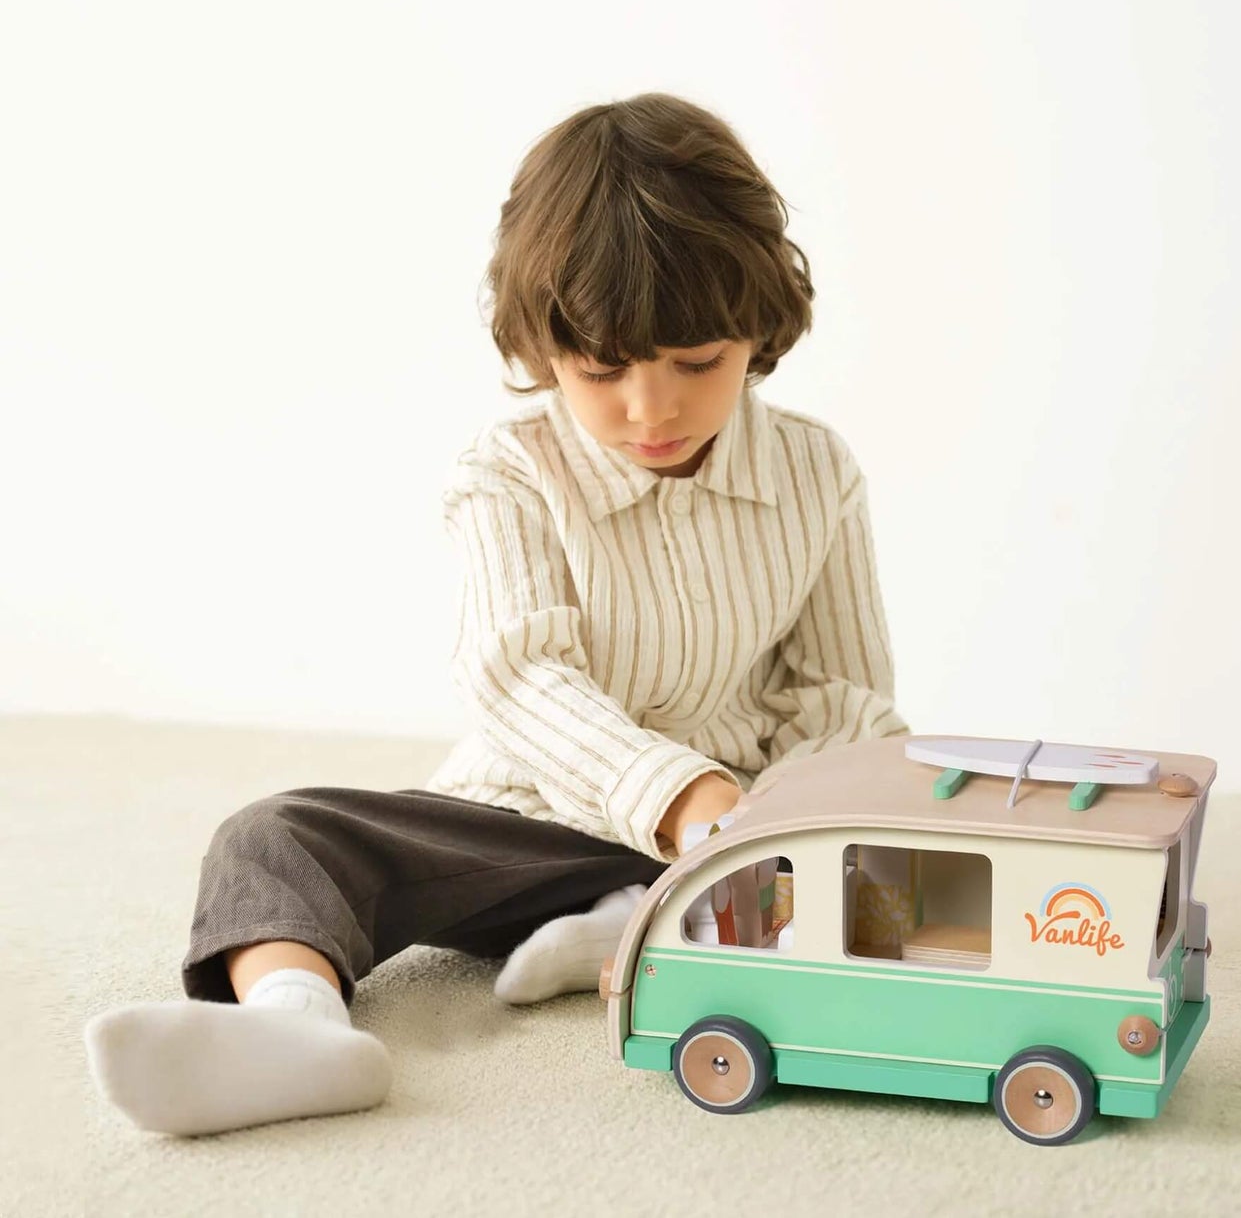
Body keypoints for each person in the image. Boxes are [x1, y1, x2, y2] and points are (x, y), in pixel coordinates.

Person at [82, 91, 911, 1137]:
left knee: (893, 857)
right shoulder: (508, 472)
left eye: (695, 362)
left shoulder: (814, 470)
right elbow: (517, 674)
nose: (648, 409)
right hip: (530, 828)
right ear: (543, 346)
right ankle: (298, 1028)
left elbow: (843, 692)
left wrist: (759, 821)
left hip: (741, 847)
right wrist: (675, 792)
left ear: (758, 327)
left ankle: (650, 923)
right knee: (273, 834)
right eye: (600, 370)